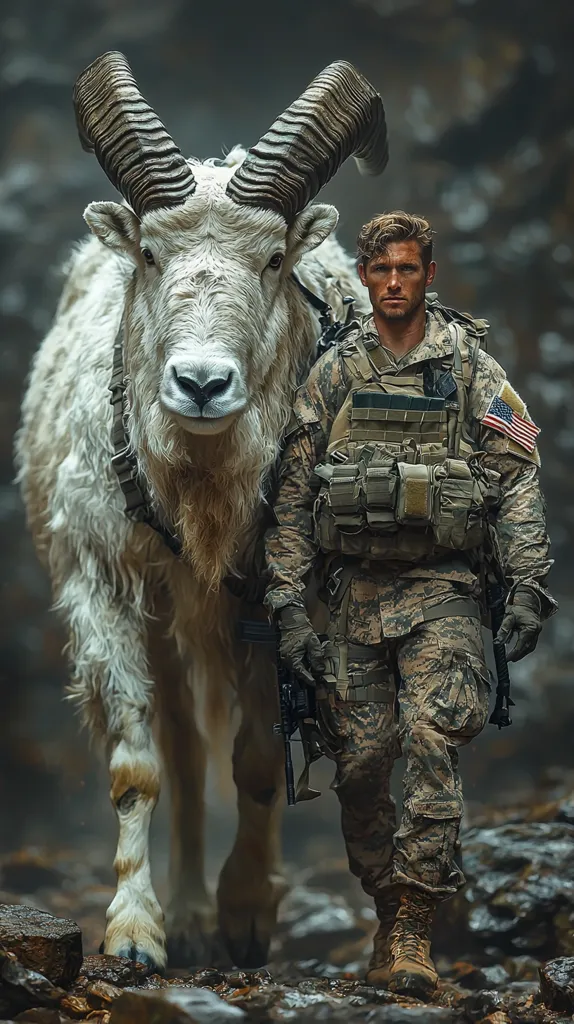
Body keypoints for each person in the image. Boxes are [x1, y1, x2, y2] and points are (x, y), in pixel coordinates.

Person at [263, 212, 556, 999]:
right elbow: (293, 496)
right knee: (359, 764)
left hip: (444, 592)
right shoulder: (332, 375)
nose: (394, 282)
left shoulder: (470, 367)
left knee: (434, 737)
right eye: (381, 270)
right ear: (363, 277)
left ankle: (413, 928)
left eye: (408, 269)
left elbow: (516, 475)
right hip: (352, 597)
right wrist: (288, 604)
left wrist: (527, 585)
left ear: (429, 272)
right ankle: (386, 902)